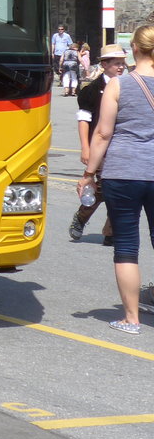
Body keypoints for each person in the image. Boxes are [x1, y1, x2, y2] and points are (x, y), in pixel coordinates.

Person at [77, 24, 154, 335]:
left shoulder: (119, 84)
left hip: (123, 170)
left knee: (125, 244)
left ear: (134, 49)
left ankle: (131, 318)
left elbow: (104, 132)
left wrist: (89, 173)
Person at [69, 43, 126, 243]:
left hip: (122, 146)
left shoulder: (129, 85)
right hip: (99, 145)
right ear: (104, 64)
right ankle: (82, 217)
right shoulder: (91, 90)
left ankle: (111, 232)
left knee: (119, 188)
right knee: (102, 188)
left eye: (123, 63)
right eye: (116, 63)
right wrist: (86, 147)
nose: (121, 67)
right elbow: (84, 120)